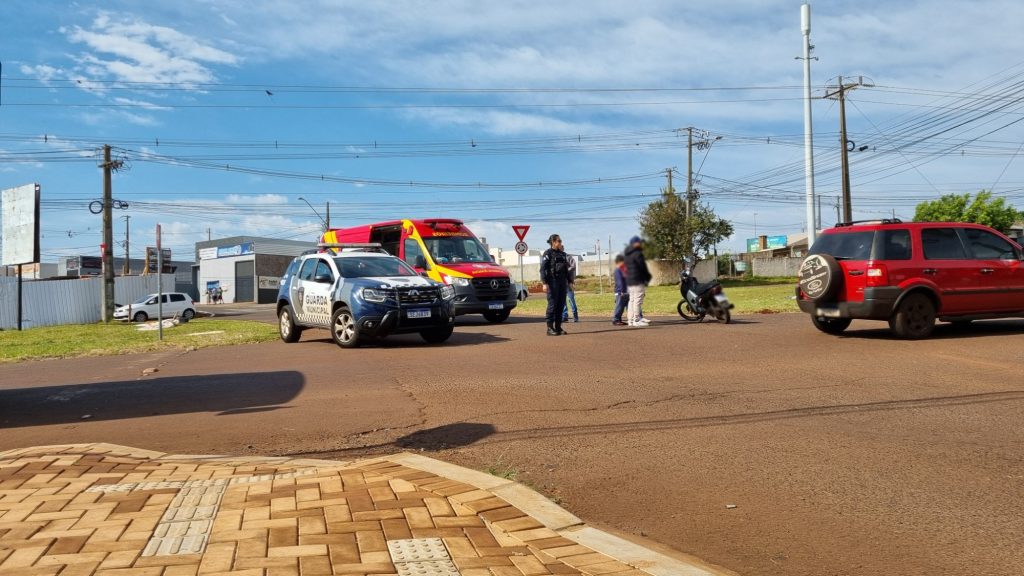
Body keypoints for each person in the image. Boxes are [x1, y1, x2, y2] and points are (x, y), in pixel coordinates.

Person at [540, 234, 571, 336]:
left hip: (562, 282)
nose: (560, 242)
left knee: (560, 305)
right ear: (553, 242)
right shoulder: (547, 253)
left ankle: (558, 327)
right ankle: (550, 328)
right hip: (552, 282)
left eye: (561, 241)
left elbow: (566, 270)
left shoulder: (563, 254)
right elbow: (543, 269)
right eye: (559, 241)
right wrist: (544, 283)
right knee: (552, 305)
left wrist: (570, 281)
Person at [624, 236, 652, 327]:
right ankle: (637, 320)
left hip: (630, 281)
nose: (641, 244)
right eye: (639, 242)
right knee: (638, 300)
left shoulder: (627, 255)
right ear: (635, 243)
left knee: (631, 300)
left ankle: (630, 320)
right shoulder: (637, 254)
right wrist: (647, 277)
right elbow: (642, 267)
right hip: (637, 279)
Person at [612, 254, 628, 325]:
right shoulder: (618, 270)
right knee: (619, 306)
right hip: (620, 292)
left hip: (625, 291)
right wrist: (621, 290)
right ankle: (616, 319)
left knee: (626, 306)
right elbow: (619, 281)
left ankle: (632, 319)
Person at [562, 254, 579, 323]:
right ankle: (565, 316)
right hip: (561, 284)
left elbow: (573, 266)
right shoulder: (556, 257)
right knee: (563, 301)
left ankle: (575, 316)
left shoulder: (568, 257)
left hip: (569, 284)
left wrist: (565, 270)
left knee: (571, 300)